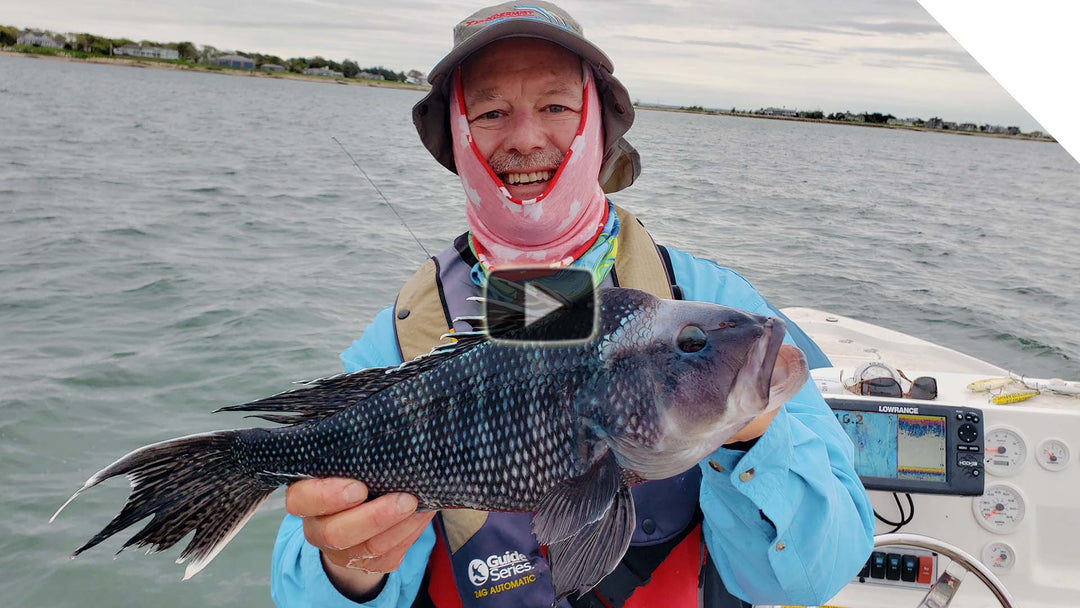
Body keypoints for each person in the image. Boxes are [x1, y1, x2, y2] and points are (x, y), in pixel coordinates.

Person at [271, 2, 875, 607]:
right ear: (455, 136)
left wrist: (753, 435)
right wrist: (348, 565)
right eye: (490, 111)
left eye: (557, 106)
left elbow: (812, 576)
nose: (527, 138)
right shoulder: (405, 335)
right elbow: (304, 592)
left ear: (600, 127)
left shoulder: (712, 302)